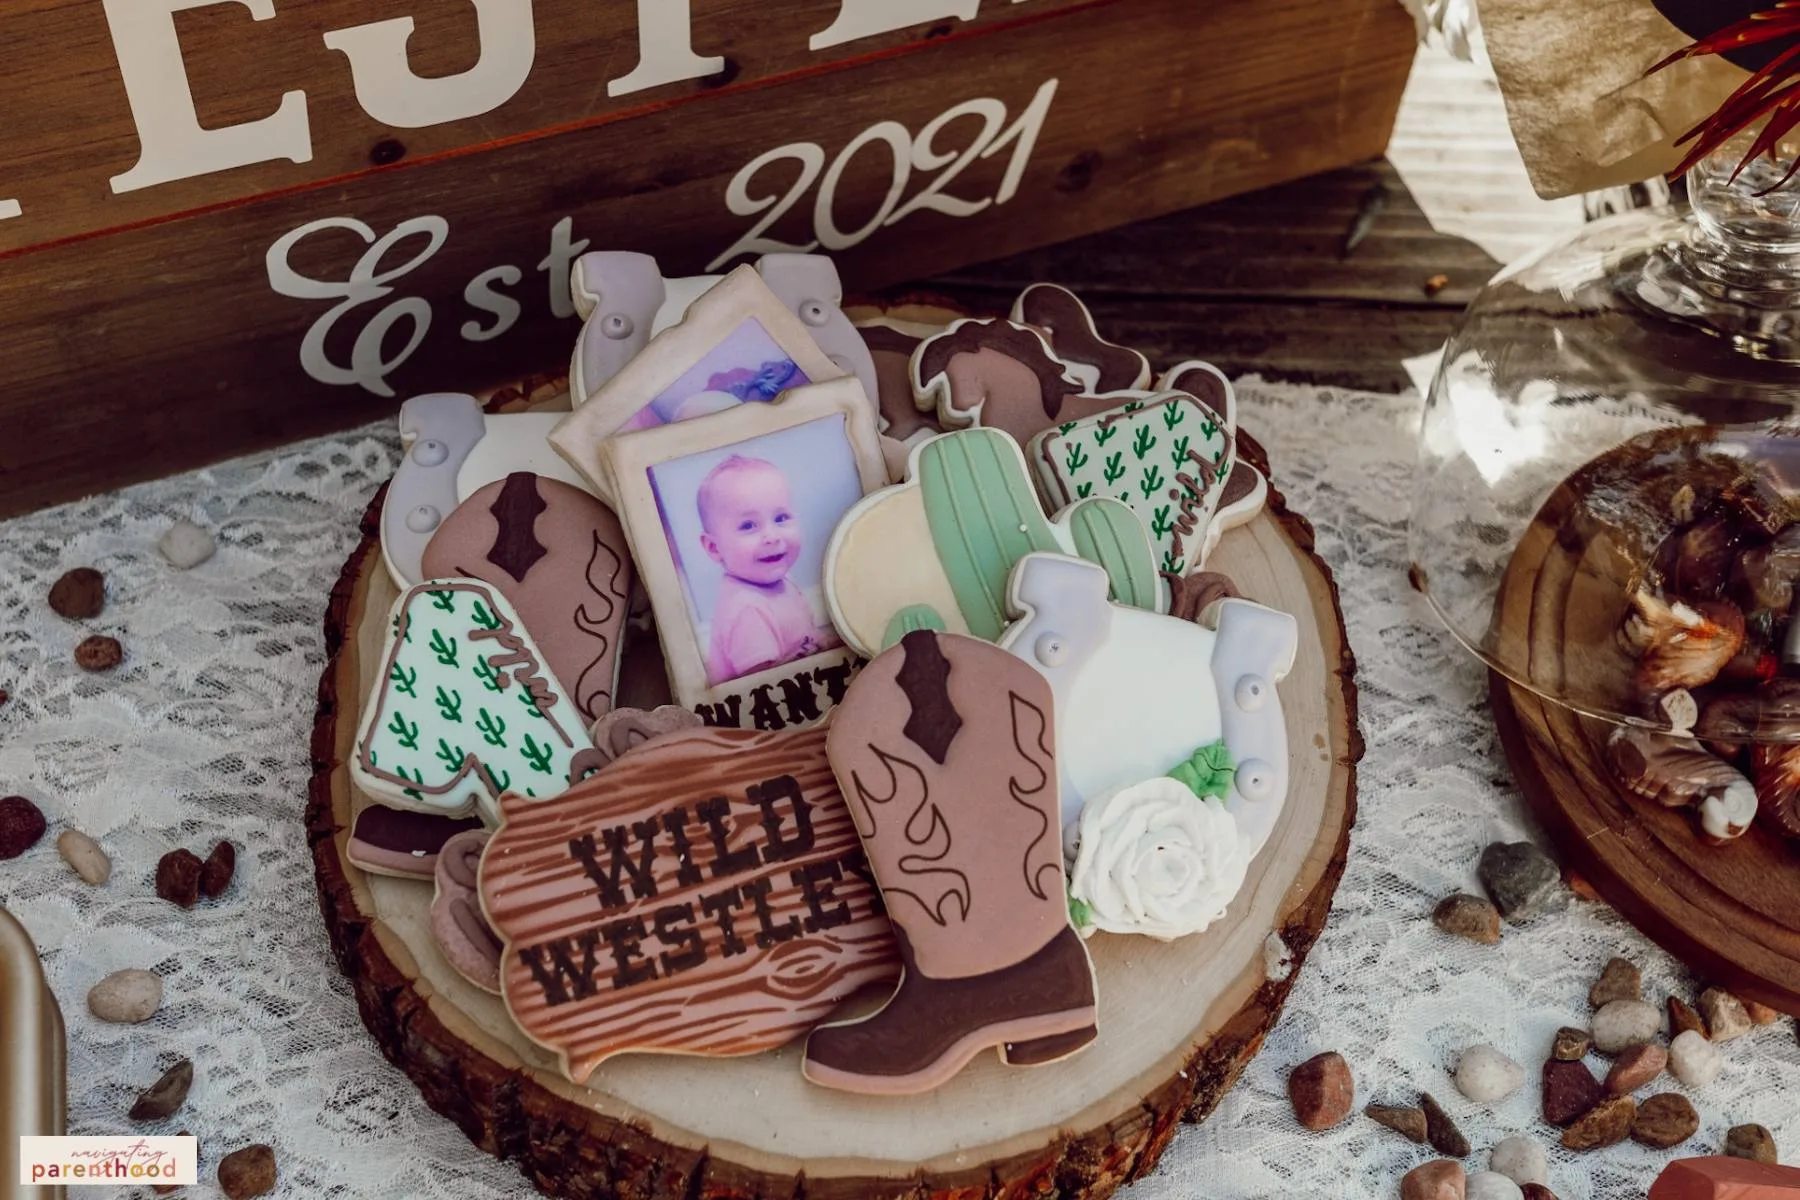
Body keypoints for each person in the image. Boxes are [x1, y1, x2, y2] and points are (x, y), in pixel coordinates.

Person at [695, 455, 840, 683]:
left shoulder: (782, 580)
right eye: (748, 526)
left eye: (781, 518)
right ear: (714, 547)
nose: (771, 536)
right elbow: (766, 689)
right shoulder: (746, 610)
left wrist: (824, 640)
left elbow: (803, 636)